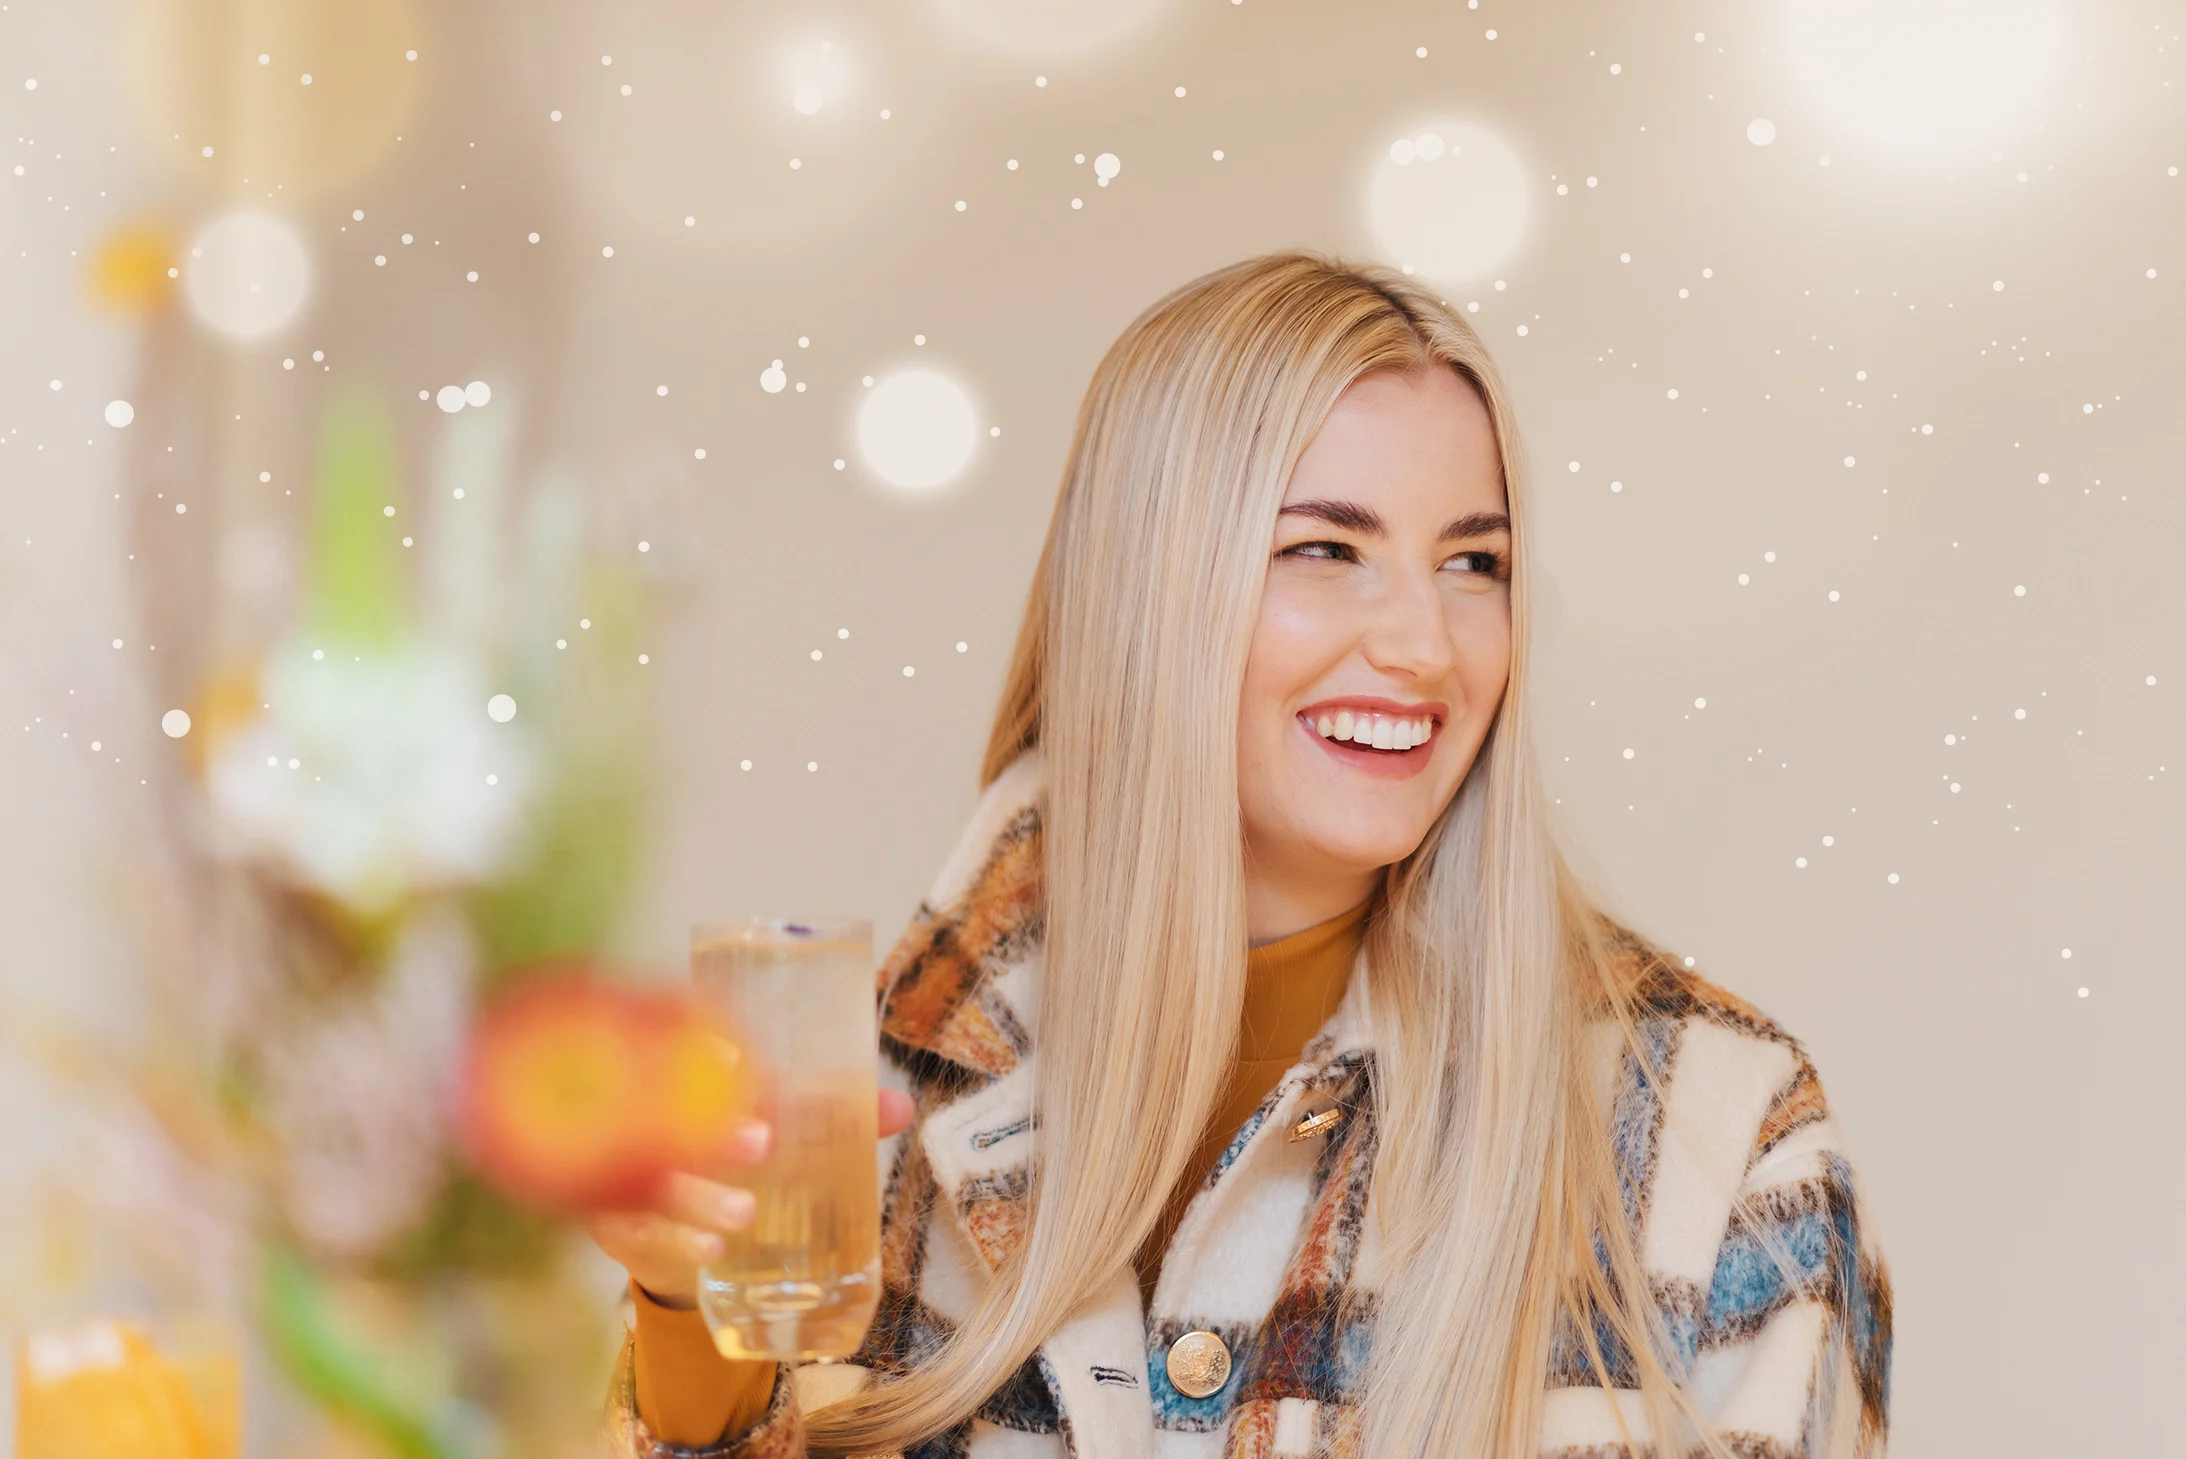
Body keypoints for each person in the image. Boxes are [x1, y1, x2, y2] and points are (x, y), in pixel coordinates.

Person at [589, 253, 1893, 1458]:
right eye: (1325, 548)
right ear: (1148, 588)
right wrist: (680, 1308)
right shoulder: (876, 1102)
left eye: (1471, 562)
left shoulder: (1718, 1138)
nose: (1424, 646)